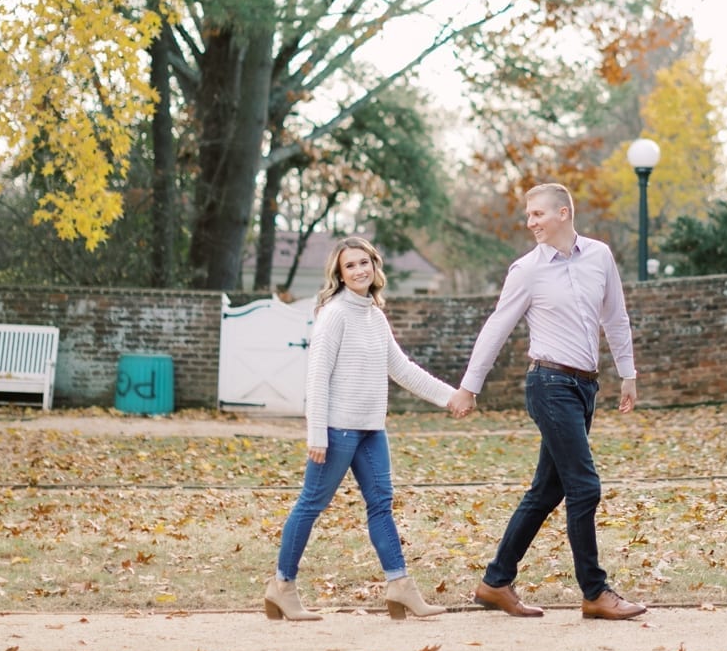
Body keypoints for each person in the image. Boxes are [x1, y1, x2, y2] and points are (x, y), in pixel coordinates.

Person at [448, 182, 648, 621]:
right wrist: (469, 385)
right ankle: (595, 592)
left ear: (564, 212)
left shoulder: (599, 256)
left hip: (585, 387)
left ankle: (496, 581)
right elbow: (497, 327)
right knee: (584, 486)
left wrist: (627, 373)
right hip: (549, 384)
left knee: (547, 490)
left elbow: (615, 317)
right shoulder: (526, 270)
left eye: (538, 214)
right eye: (528, 216)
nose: (530, 222)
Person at [265, 235, 461, 621]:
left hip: (372, 430)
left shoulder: (374, 315)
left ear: (375, 266)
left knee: (381, 505)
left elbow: (402, 369)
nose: (358, 270)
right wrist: (316, 433)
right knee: (310, 505)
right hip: (337, 430)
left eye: (363, 262)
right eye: (349, 266)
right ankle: (281, 586)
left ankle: (400, 586)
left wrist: (450, 396)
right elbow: (317, 376)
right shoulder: (334, 314)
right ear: (339, 275)